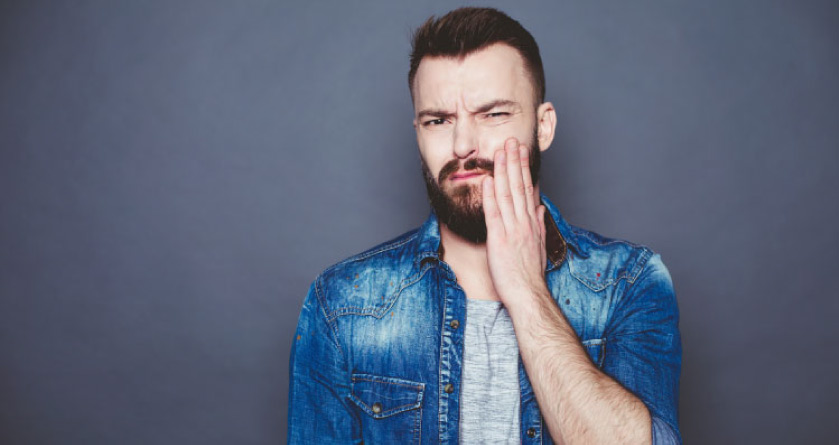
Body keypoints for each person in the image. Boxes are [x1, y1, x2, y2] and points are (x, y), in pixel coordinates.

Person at [288, 7, 681, 444]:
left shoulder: (629, 284)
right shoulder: (341, 303)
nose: (462, 146)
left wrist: (524, 290)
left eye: (493, 115)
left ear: (543, 125)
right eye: (438, 120)